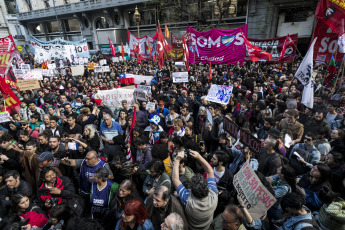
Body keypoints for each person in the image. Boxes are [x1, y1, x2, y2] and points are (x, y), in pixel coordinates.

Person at [172, 149, 218, 229]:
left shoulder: (187, 200)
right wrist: (199, 156)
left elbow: (175, 179)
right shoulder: (213, 194)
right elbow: (210, 171)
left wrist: (177, 159)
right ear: (206, 186)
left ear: (191, 191)